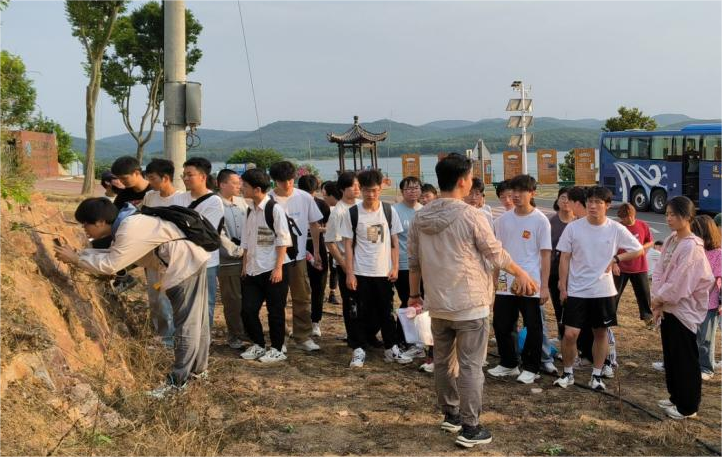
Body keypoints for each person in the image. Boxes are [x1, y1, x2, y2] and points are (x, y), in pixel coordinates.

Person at [407, 153, 536, 448]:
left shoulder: (420, 217)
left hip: (437, 303)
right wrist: (521, 273)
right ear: (464, 181)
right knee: (470, 366)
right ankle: (470, 426)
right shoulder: (471, 215)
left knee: (443, 362)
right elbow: (495, 253)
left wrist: (414, 295)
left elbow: (413, 262)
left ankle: (451, 415)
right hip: (469, 303)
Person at [54, 198, 210, 398]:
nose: (84, 229)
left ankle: (178, 383)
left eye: (86, 224)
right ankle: (198, 373)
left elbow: (112, 264)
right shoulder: (129, 222)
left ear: (100, 222)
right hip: (190, 261)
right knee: (197, 323)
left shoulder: (129, 229)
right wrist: (81, 254)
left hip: (184, 267)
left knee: (187, 325)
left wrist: (76, 259)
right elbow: (115, 253)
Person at [553, 186, 644, 391]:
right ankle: (567, 372)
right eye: (590, 201)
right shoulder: (574, 228)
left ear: (607, 205)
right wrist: (563, 286)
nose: (593, 206)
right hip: (577, 290)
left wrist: (617, 258)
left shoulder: (615, 228)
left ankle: (596, 375)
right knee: (570, 334)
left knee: (600, 333)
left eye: (598, 202)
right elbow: (565, 257)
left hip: (603, 291)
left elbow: (638, 250)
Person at [340, 169, 411, 366]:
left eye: (374, 190)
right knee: (358, 312)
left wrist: (395, 267)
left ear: (381, 188)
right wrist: (350, 273)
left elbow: (395, 243)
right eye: (366, 190)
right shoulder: (352, 213)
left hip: (383, 272)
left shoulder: (389, 211)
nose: (370, 194)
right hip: (361, 271)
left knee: (386, 312)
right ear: (360, 189)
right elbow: (348, 246)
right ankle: (359, 349)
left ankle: (391, 347)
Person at [652, 196, 714, 419]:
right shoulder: (671, 239)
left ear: (687, 217)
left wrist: (658, 299)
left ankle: (688, 406)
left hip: (682, 308)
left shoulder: (692, 246)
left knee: (684, 358)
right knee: (671, 356)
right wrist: (657, 298)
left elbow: (681, 283)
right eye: (667, 214)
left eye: (674, 214)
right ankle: (675, 396)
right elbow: (659, 270)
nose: (669, 218)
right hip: (667, 306)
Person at [487, 174, 551, 384]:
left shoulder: (540, 220)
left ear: (532, 193)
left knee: (533, 325)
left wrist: (544, 287)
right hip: (505, 280)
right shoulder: (502, 221)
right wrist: (495, 279)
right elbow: (498, 253)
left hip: (531, 281)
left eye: (521, 191)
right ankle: (509, 363)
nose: (515, 195)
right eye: (513, 191)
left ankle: (532, 367)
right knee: (502, 324)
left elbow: (545, 255)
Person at [239, 168, 293, 363]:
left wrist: (278, 268)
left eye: (244, 186)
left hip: (273, 269)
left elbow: (283, 241)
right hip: (253, 269)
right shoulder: (250, 209)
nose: (241, 188)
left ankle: (277, 348)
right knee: (248, 310)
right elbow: (246, 241)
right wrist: (245, 265)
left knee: (275, 311)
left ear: (257, 189)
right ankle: (259, 344)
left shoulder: (274, 209)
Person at [269, 161, 323, 352]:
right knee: (277, 299)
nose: (287, 185)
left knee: (302, 297)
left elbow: (314, 225)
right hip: (275, 258)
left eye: (290, 180)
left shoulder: (304, 197)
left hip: (298, 257)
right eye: (282, 181)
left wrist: (316, 251)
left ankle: (303, 336)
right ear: (275, 181)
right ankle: (280, 337)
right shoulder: (269, 200)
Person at [175, 157, 225, 328]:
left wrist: (180, 230)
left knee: (205, 303)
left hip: (205, 261)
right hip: (182, 261)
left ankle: (204, 337)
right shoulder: (179, 199)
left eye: (190, 175)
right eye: (184, 175)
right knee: (184, 302)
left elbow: (202, 234)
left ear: (203, 177)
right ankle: (186, 336)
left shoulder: (214, 202)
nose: (185, 178)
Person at [141, 158, 181, 347]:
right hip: (152, 255)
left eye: (153, 178)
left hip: (172, 258)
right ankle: (161, 333)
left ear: (165, 178)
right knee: (154, 296)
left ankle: (169, 338)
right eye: (148, 178)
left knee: (166, 298)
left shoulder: (181, 199)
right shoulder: (150, 197)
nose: (150, 182)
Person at [325, 171, 361, 347]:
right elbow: (330, 242)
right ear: (342, 189)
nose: (357, 188)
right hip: (347, 264)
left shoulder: (361, 205)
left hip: (364, 263)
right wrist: (345, 267)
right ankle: (354, 337)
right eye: (352, 186)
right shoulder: (338, 212)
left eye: (358, 185)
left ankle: (366, 334)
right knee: (351, 303)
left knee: (364, 301)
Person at [216, 169, 248, 349]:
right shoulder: (215, 204)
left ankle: (247, 331)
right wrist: (238, 251)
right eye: (235, 183)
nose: (239, 186)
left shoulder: (242, 202)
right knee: (232, 300)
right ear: (222, 184)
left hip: (247, 259)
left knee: (248, 298)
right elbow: (217, 235)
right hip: (228, 261)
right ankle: (235, 335)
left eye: (240, 183)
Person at [393, 176, 424, 356]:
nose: (413, 191)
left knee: (421, 303)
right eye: (409, 188)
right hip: (403, 264)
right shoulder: (395, 211)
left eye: (416, 188)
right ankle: (403, 339)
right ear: (402, 191)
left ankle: (419, 340)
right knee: (407, 301)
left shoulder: (424, 211)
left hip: (423, 265)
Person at [298, 174, 331, 338]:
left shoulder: (321, 204)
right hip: (305, 245)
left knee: (313, 284)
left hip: (311, 244)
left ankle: (312, 320)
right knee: (310, 285)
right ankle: (311, 321)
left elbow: (324, 224)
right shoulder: (320, 203)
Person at [690, 215, 722, 381]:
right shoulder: (695, 250)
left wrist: (700, 295)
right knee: (693, 335)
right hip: (691, 300)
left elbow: (715, 280)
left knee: (706, 338)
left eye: (695, 232)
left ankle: (707, 368)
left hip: (709, 302)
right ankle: (692, 364)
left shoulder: (717, 253)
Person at [613, 203, 655, 326]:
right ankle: (610, 317)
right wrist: (614, 264)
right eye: (622, 218)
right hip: (621, 266)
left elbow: (650, 242)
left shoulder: (642, 225)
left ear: (632, 215)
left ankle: (648, 318)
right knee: (614, 294)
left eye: (626, 217)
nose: (625, 220)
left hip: (639, 266)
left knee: (644, 294)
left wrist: (641, 248)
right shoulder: (618, 228)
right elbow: (611, 247)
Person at [548, 187, 575, 339]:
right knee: (559, 306)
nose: (566, 201)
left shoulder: (579, 222)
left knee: (574, 306)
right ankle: (562, 336)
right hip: (554, 271)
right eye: (563, 198)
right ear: (557, 201)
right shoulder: (549, 222)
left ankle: (574, 339)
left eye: (569, 198)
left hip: (575, 272)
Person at [322, 180, 340, 305]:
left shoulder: (336, 209)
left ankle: (332, 293)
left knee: (333, 270)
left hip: (335, 244)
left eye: (325, 194)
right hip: (326, 244)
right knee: (326, 270)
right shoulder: (326, 207)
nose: (324, 197)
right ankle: (324, 292)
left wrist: (323, 229)